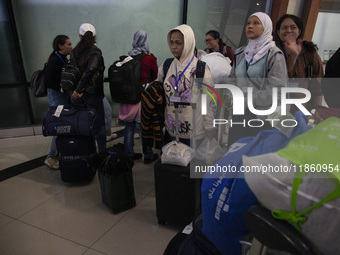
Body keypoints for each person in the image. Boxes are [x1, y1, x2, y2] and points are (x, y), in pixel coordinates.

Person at [227, 12, 288, 147]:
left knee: (253, 158)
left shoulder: (274, 55)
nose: (250, 26)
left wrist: (246, 99)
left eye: (256, 23)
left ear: (266, 27)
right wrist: (232, 95)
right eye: (248, 23)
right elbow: (232, 78)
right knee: (234, 153)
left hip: (261, 117)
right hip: (240, 114)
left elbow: (276, 92)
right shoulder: (241, 53)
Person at [157, 24, 216, 147]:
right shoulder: (167, 66)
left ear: (188, 43)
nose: (173, 47)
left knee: (191, 165)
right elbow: (157, 87)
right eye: (171, 42)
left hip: (195, 133)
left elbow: (209, 100)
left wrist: (209, 126)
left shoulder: (201, 68)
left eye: (178, 43)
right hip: (171, 131)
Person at [119, 30, 158, 162]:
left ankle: (129, 154)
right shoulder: (149, 57)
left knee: (129, 125)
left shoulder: (128, 56)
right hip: (144, 94)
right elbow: (155, 74)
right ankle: (148, 155)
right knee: (144, 126)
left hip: (129, 94)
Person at [274, 14, 324, 113]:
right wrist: (293, 55)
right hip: (274, 109)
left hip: (302, 110)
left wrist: (318, 110)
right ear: (278, 32)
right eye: (284, 28)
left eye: (293, 27)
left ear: (299, 31)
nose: (289, 30)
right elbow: (281, 77)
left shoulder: (310, 52)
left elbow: (317, 87)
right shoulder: (272, 52)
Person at [71, 23, 106, 152]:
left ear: (80, 36)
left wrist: (76, 90)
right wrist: (80, 89)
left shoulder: (75, 51)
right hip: (92, 94)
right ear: (95, 36)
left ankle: (88, 154)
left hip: (78, 96)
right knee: (99, 125)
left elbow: (73, 72)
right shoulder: (95, 51)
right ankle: (101, 155)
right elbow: (91, 70)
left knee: (84, 125)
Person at [44, 35, 72, 169]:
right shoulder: (55, 60)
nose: (71, 47)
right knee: (59, 125)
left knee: (64, 123)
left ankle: (59, 152)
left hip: (62, 95)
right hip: (56, 96)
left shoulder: (64, 59)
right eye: (68, 44)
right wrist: (62, 88)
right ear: (60, 46)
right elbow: (48, 81)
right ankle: (51, 156)